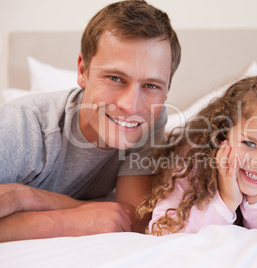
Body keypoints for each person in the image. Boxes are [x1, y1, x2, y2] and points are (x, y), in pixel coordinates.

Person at [0, 0, 181, 242]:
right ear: (83, 71)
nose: (131, 106)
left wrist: (29, 198)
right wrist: (64, 222)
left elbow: (132, 217)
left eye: (151, 85)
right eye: (115, 78)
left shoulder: (149, 120)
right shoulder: (22, 126)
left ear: (166, 90)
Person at [137, 75, 257, 235]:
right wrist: (226, 201)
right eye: (249, 143)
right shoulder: (191, 162)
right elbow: (162, 230)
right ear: (222, 133)